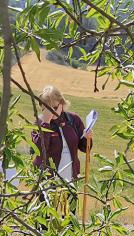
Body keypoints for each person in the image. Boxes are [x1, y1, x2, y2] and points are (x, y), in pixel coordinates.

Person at [31, 86, 91, 216]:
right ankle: (43, 234)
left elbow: (83, 147)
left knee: (69, 215)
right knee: (45, 214)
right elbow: (40, 150)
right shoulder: (39, 123)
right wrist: (46, 122)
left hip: (70, 175)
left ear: (62, 104)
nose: (50, 111)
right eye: (46, 108)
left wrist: (87, 138)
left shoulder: (73, 120)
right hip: (47, 177)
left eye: (54, 107)